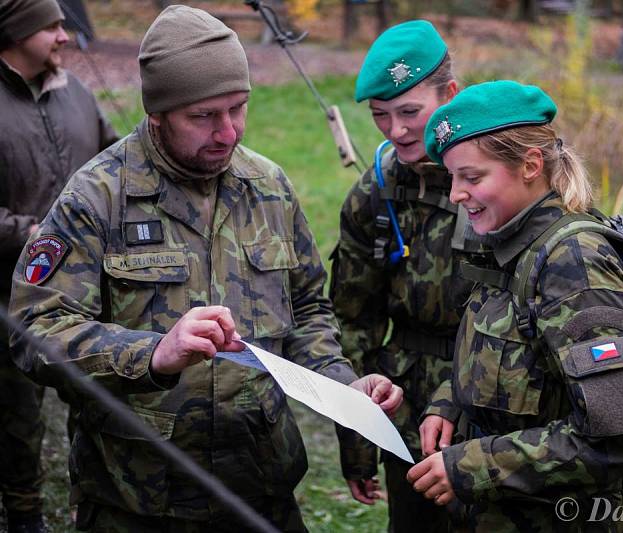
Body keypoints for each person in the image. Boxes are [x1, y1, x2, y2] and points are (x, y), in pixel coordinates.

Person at [9, 6, 401, 532]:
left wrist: (341, 384)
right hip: (140, 498)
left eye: (239, 108)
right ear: (158, 113)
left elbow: (307, 309)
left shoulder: (268, 187)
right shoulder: (98, 196)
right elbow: (35, 330)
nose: (228, 132)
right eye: (203, 116)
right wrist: (153, 353)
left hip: (260, 489)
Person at [407, 81, 623, 531]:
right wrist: (450, 403)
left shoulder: (575, 266)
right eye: (452, 178)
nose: (455, 196)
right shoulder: (504, 244)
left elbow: (622, 433)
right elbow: (498, 357)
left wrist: (474, 466)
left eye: (472, 177)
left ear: (530, 165)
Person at [330, 19, 480, 532]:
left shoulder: (500, 178)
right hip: (407, 409)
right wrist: (358, 440)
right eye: (380, 116)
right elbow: (352, 323)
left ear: (451, 95)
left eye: (411, 112)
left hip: (499, 406)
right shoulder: (374, 194)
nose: (396, 131)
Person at [0, 0, 118, 529]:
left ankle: (94, 503)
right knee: (16, 419)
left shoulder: (77, 94)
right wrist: (29, 232)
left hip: (89, 293)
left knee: (97, 398)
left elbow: (116, 162)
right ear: (15, 31)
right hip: (8, 296)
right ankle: (23, 513)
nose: (64, 37)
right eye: (51, 25)